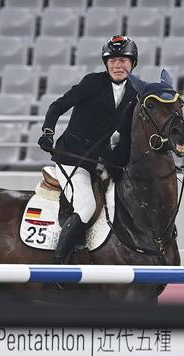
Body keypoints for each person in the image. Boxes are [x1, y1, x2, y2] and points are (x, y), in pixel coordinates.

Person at [38, 34, 138, 264]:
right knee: (86, 206)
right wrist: (48, 132)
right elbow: (58, 106)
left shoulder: (133, 93)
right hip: (72, 158)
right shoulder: (92, 82)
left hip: (100, 159)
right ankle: (57, 264)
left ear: (132, 63)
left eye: (123, 60)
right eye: (112, 60)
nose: (117, 65)